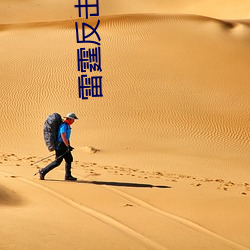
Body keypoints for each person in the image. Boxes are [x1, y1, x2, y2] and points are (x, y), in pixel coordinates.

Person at [39, 112, 78, 181]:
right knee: (57, 162)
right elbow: (63, 135)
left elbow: (66, 137)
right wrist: (67, 146)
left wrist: (68, 145)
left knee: (69, 159)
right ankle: (43, 172)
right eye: (73, 119)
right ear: (70, 119)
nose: (74, 121)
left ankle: (68, 175)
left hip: (64, 145)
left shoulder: (67, 125)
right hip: (61, 145)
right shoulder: (64, 126)